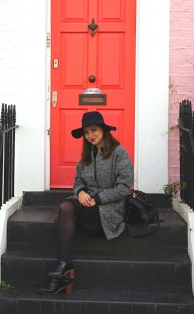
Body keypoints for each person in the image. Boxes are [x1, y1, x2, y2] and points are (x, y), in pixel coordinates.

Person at [37, 111, 134, 295]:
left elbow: (123, 188)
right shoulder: (87, 155)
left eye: (94, 130)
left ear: (104, 130)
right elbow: (78, 180)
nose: (90, 135)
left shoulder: (119, 153)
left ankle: (63, 269)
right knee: (65, 207)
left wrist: (97, 199)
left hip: (109, 209)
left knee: (64, 215)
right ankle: (63, 265)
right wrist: (80, 191)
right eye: (86, 132)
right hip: (88, 204)